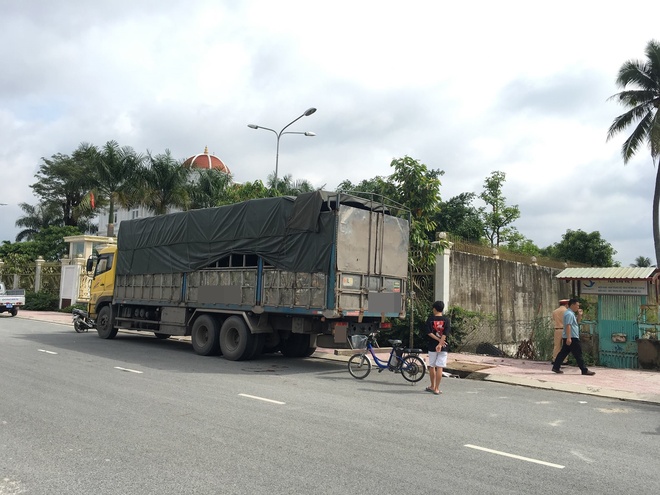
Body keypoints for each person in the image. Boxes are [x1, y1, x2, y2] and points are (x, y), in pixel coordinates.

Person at [552, 298, 595, 375]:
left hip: (571, 336)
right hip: (572, 337)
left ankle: (556, 367)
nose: (578, 307)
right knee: (578, 354)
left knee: (563, 353)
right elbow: (568, 325)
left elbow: (576, 323)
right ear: (572, 305)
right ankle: (584, 370)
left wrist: (579, 315)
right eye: (577, 305)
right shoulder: (569, 314)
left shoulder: (570, 313)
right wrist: (569, 338)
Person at [425, 300, 451, 395]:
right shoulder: (446, 320)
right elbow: (445, 333)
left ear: (435, 309)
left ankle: (432, 385)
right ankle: (437, 388)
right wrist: (440, 343)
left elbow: (429, 332)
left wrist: (437, 341)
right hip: (443, 346)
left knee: (432, 366)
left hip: (432, 346)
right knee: (440, 367)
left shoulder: (430, 319)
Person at [551, 299, 570, 367]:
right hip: (565, 329)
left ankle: (555, 359)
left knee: (557, 345)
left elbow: (553, 319)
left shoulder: (555, 311)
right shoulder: (567, 311)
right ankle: (564, 360)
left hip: (557, 329)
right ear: (566, 304)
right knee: (565, 346)